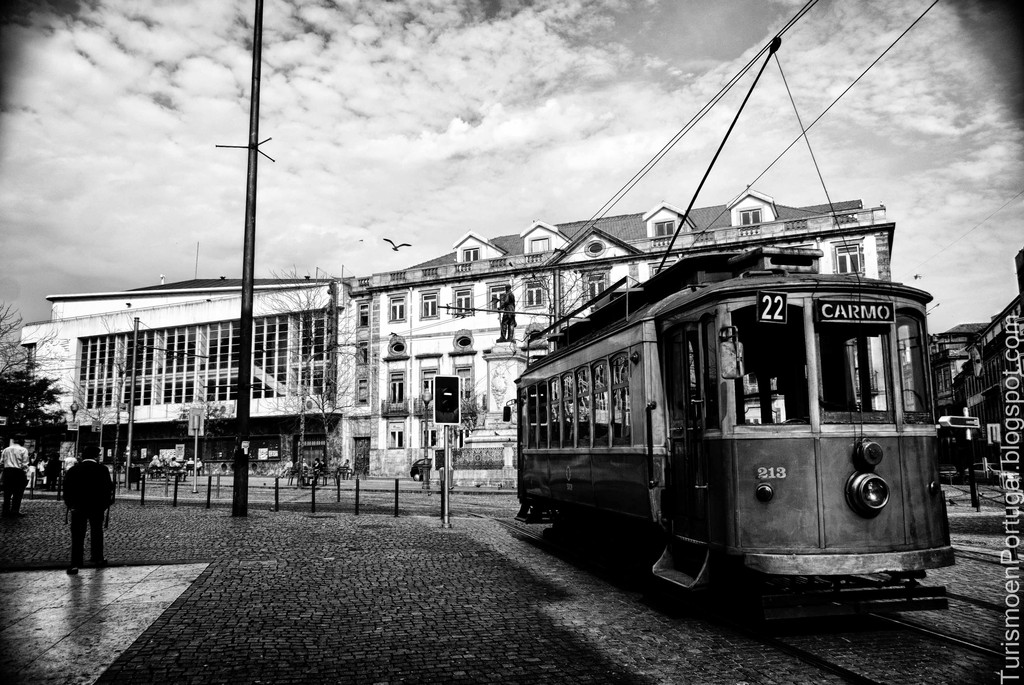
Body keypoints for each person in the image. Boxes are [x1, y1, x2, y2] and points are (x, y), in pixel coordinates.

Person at [63, 444, 114, 575]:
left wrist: (70, 505)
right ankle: (97, 558)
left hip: (78, 506)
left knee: (77, 535)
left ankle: (75, 563)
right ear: (96, 456)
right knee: (97, 532)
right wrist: (105, 504)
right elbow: (108, 488)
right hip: (96, 506)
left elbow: (67, 488)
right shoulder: (102, 469)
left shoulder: (74, 470)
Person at [2, 438, 30, 517]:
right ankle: (15, 511)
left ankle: (5, 511)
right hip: (18, 472)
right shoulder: (23, 450)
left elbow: (1, 462)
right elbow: (25, 464)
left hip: (7, 472)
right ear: (22, 442)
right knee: (18, 493)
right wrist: (25, 473)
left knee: (7, 493)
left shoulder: (6, 450)